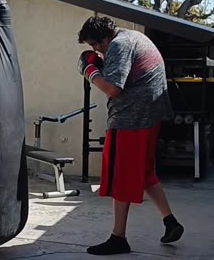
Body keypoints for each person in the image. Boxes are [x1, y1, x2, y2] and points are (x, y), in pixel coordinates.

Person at [76, 16, 184, 255]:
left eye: (96, 45)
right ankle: (170, 222)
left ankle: (118, 238)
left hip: (131, 119)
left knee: (120, 176)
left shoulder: (119, 45)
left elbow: (114, 88)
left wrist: (89, 70)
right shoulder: (134, 36)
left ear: (105, 37)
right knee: (144, 172)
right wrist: (101, 62)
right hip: (150, 116)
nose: (95, 49)